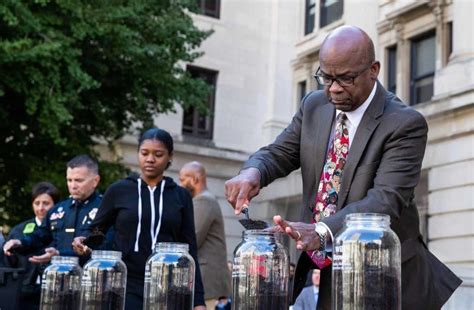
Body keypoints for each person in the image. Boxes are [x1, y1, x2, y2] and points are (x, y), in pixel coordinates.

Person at [224, 25, 461, 310]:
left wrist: (322, 231)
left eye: (346, 78)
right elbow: (280, 152)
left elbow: (384, 201)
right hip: (331, 273)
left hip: (387, 278)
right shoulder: (314, 105)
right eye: (326, 77)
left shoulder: (404, 124)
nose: (333, 88)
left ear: (374, 69)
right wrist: (254, 172)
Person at [72, 128, 206, 310]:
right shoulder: (119, 190)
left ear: (170, 156)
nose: (150, 159)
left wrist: (198, 300)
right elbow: (97, 229)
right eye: (144, 153)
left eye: (158, 154)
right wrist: (83, 239)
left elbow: (190, 248)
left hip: (169, 283)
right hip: (126, 282)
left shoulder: (180, 196)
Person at [3, 155, 103, 266]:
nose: (73, 186)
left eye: (78, 180)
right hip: (58, 276)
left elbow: (102, 247)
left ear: (95, 181)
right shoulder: (58, 210)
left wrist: (59, 254)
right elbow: (40, 236)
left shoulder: (104, 209)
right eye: (69, 180)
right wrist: (20, 243)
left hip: (89, 276)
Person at [179, 161, 232, 309]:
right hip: (209, 283)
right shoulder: (204, 199)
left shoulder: (203, 200)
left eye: (182, 179)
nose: (180, 185)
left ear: (195, 179)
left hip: (207, 283)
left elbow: (192, 239)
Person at [3, 182, 60, 310]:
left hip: (54, 292)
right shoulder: (19, 230)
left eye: (46, 203)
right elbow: (8, 264)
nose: (41, 208)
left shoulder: (61, 230)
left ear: (56, 205)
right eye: (37, 203)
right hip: (23, 293)